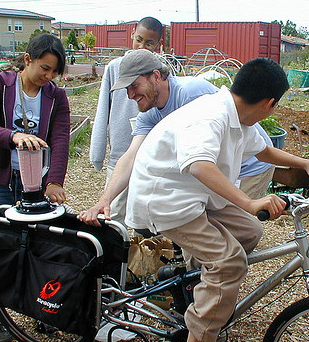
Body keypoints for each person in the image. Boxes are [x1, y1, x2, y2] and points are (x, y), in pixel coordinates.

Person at [125, 58, 309, 342]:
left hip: (195, 196)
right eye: (278, 106)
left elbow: (263, 151)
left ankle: (194, 288)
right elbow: (199, 165)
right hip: (166, 201)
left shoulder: (239, 118)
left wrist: (305, 163)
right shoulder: (211, 115)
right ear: (269, 103)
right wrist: (249, 201)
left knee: (250, 230)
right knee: (229, 260)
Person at [0, 33, 70, 342]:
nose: (49, 76)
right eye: (44, 67)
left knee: (37, 249)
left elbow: (60, 139)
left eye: (54, 71)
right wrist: (14, 137)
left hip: (33, 184)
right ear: (27, 60)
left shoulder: (56, 97)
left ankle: (40, 312)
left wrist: (54, 180)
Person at [79, 48, 218, 225]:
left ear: (156, 76)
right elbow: (131, 156)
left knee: (229, 231)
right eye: (127, 89)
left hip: (245, 164)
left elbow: (213, 153)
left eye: (134, 86)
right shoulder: (149, 112)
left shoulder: (190, 95)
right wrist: (105, 200)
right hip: (207, 167)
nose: (130, 95)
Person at [88, 17, 164, 223]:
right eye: (139, 39)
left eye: (149, 43)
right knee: (113, 212)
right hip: (121, 151)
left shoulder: (161, 70)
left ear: (159, 44)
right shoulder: (115, 67)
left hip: (152, 156)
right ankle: (112, 253)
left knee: (149, 214)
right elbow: (103, 109)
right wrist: (97, 153)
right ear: (132, 34)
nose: (142, 46)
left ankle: (147, 252)